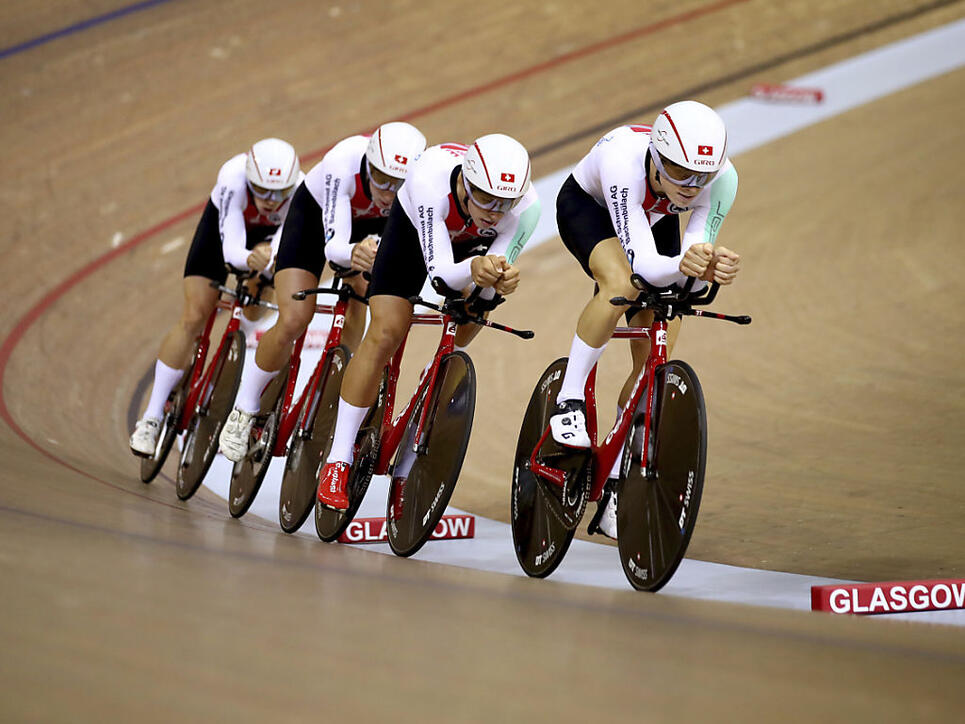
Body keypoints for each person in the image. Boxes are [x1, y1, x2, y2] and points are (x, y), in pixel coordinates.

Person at [316, 133, 542, 510]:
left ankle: (422, 408)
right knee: (387, 330)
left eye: (505, 203)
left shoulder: (527, 209)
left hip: (471, 248)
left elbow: (488, 285)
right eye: (485, 198)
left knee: (474, 312)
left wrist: (500, 281)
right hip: (413, 233)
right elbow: (438, 275)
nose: (493, 210)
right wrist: (475, 267)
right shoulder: (430, 182)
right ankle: (338, 458)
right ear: (465, 183)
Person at [550, 100, 742, 538]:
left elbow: (689, 263)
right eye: (679, 172)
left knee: (663, 332)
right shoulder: (624, 161)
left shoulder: (722, 180)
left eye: (703, 177)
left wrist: (708, 266)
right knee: (621, 284)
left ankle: (615, 478)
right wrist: (691, 264)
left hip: (655, 221)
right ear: (656, 157)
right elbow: (646, 268)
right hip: (593, 208)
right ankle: (570, 397)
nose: (692, 187)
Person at [218, 122, 427, 462]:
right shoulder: (342, 162)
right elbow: (334, 247)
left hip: (373, 231)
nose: (388, 192)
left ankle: (339, 376)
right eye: (380, 178)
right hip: (316, 222)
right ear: (368, 162)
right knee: (295, 317)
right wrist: (355, 253)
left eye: (398, 183)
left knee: (364, 296)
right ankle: (244, 408)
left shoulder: (419, 184)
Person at [129, 138, 302, 457]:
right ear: (250, 179)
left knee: (258, 298)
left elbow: (286, 241)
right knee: (195, 314)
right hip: (224, 235)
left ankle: (238, 345)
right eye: (261, 190)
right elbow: (231, 249)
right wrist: (250, 257)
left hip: (266, 245)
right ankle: (151, 417)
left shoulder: (299, 191)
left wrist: (268, 256)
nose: (270, 201)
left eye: (279, 193)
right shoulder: (233, 178)